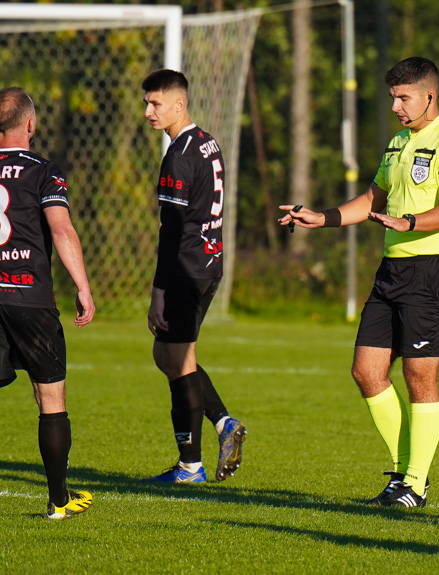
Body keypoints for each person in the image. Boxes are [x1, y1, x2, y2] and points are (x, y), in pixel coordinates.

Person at [279, 57, 439, 507]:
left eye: (403, 97)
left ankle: (415, 483)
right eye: (392, 97)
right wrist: (322, 217)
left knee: (418, 377)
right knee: (366, 372)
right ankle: (404, 474)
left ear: (430, 95)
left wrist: (409, 223)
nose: (396, 106)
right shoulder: (398, 142)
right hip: (391, 272)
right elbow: (372, 199)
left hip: (431, 273)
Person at [141, 69, 246, 483]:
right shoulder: (207, 143)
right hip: (208, 263)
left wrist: (158, 292)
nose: (148, 111)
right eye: (147, 102)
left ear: (179, 104)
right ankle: (223, 424)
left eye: (156, 103)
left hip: (186, 270)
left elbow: (172, 231)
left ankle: (190, 466)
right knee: (166, 356)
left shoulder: (179, 155)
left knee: (178, 360)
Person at [0, 87, 96, 519]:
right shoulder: (43, 171)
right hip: (31, 298)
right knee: (50, 396)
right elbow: (60, 229)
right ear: (31, 124)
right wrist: (82, 285)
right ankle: (59, 500)